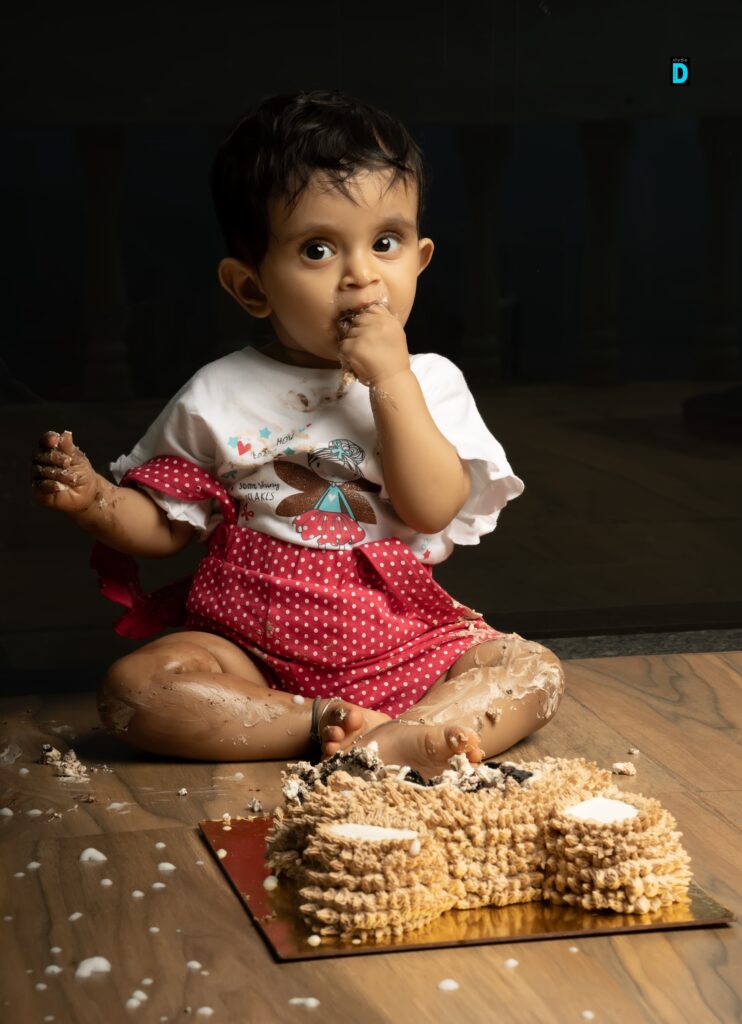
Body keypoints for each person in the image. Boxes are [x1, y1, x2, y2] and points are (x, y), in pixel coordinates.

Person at [31, 89, 565, 779]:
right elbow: (167, 528)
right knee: (136, 691)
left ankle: (407, 735)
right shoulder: (218, 392)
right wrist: (95, 502)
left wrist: (390, 381)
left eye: (386, 242)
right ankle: (324, 724)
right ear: (252, 288)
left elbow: (431, 508)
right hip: (248, 648)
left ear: (421, 258)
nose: (361, 275)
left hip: (401, 637)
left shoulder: (430, 381)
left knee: (528, 669)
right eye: (318, 250)